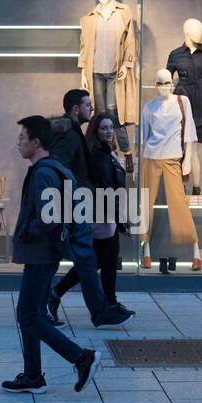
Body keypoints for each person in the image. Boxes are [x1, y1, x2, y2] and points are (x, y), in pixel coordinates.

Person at [3, 115, 101, 394]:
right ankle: (33, 375)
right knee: (30, 313)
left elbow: (51, 214)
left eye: (22, 138)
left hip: (41, 254)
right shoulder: (52, 168)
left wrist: (27, 231)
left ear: (36, 141)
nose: (18, 143)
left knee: (29, 315)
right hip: (43, 253)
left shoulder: (44, 172)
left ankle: (82, 357)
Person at [45, 89, 133, 329]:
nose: (91, 108)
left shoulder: (87, 142)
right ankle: (95, 307)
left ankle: (104, 308)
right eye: (87, 104)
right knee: (90, 261)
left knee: (95, 261)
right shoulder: (76, 140)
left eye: (110, 128)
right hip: (90, 210)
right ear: (76, 109)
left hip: (93, 209)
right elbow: (61, 170)